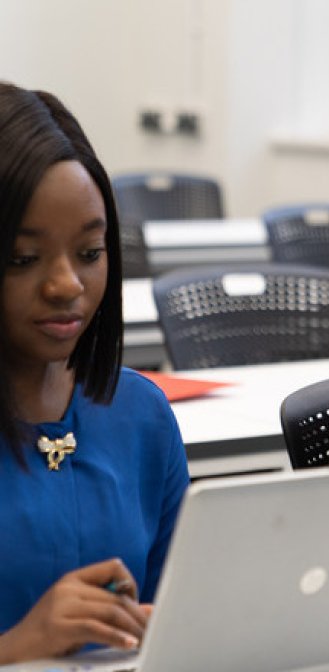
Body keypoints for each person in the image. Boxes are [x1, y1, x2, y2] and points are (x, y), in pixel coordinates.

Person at [0, 82, 190, 663]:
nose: (67, 286)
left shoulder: (139, 415)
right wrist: (20, 646)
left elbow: (176, 612)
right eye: (23, 259)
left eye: (89, 253)